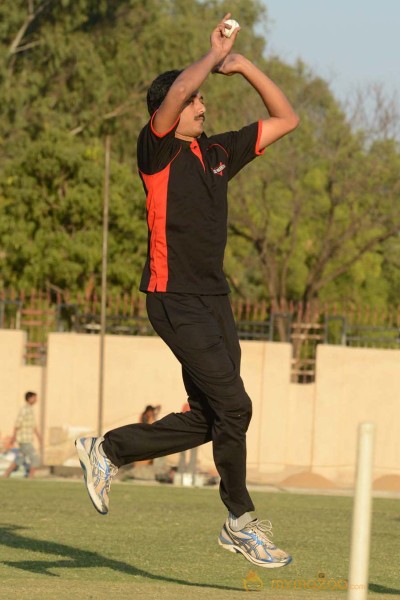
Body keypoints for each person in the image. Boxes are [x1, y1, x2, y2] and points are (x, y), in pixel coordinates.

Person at [76, 12, 299, 569]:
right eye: (195, 102)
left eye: (203, 100)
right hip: (173, 300)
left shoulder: (219, 154)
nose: (202, 105)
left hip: (216, 302)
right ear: (167, 114)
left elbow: (286, 118)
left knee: (213, 417)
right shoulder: (156, 153)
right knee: (237, 405)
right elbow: (179, 88)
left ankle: (108, 450)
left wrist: (243, 64)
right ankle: (240, 521)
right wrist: (211, 53)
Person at [2, 391, 41, 478]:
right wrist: (13, 437)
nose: (36, 400)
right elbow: (17, 424)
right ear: (29, 398)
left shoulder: (30, 410)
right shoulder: (24, 410)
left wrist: (39, 437)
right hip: (24, 440)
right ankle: (31, 477)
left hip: (28, 439)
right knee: (35, 458)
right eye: (34, 398)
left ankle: (5, 474)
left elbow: (33, 426)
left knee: (20, 459)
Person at [177, 401, 197, 475]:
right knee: (183, 452)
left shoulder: (198, 405)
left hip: (195, 433)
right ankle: (181, 470)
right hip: (185, 432)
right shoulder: (186, 405)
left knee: (193, 454)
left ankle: (190, 471)